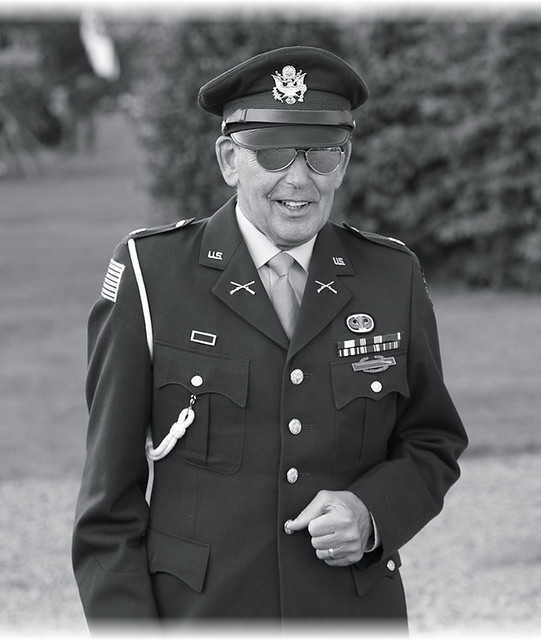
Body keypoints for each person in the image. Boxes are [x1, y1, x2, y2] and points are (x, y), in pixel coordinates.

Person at [72, 45, 467, 627]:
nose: (299, 179)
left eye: (322, 154)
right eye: (274, 152)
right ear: (230, 160)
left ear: (344, 160)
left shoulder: (391, 276)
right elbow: (108, 508)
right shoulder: (152, 276)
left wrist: (371, 512)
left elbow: (431, 439)